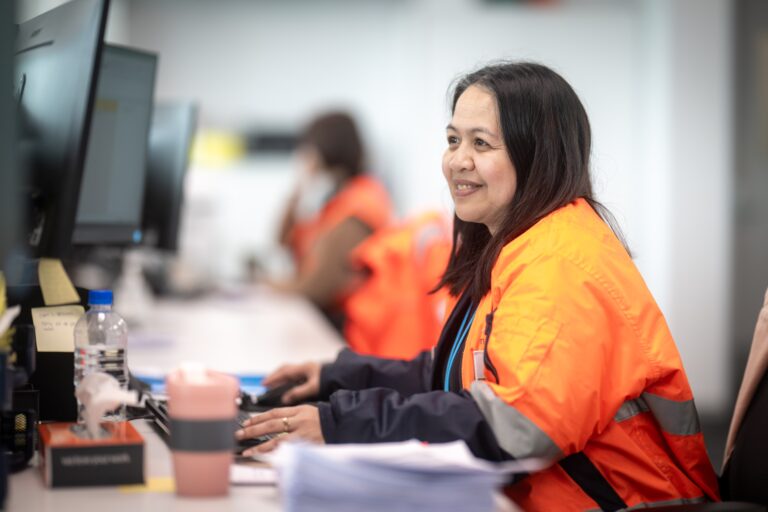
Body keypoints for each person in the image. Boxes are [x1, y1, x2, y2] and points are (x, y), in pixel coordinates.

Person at [238, 62, 720, 510]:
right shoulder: (520, 245)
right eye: (452, 140)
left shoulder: (559, 265)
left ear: (536, 155)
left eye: (481, 144)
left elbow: (518, 428)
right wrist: (338, 379)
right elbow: (465, 375)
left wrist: (345, 422)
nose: (456, 161)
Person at [271, 111, 393, 331]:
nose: (304, 158)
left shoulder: (359, 205)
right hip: (336, 322)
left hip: (349, 329)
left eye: (308, 150)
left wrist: (264, 286)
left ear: (323, 150)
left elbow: (315, 288)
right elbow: (285, 242)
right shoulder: (339, 197)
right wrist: (298, 187)